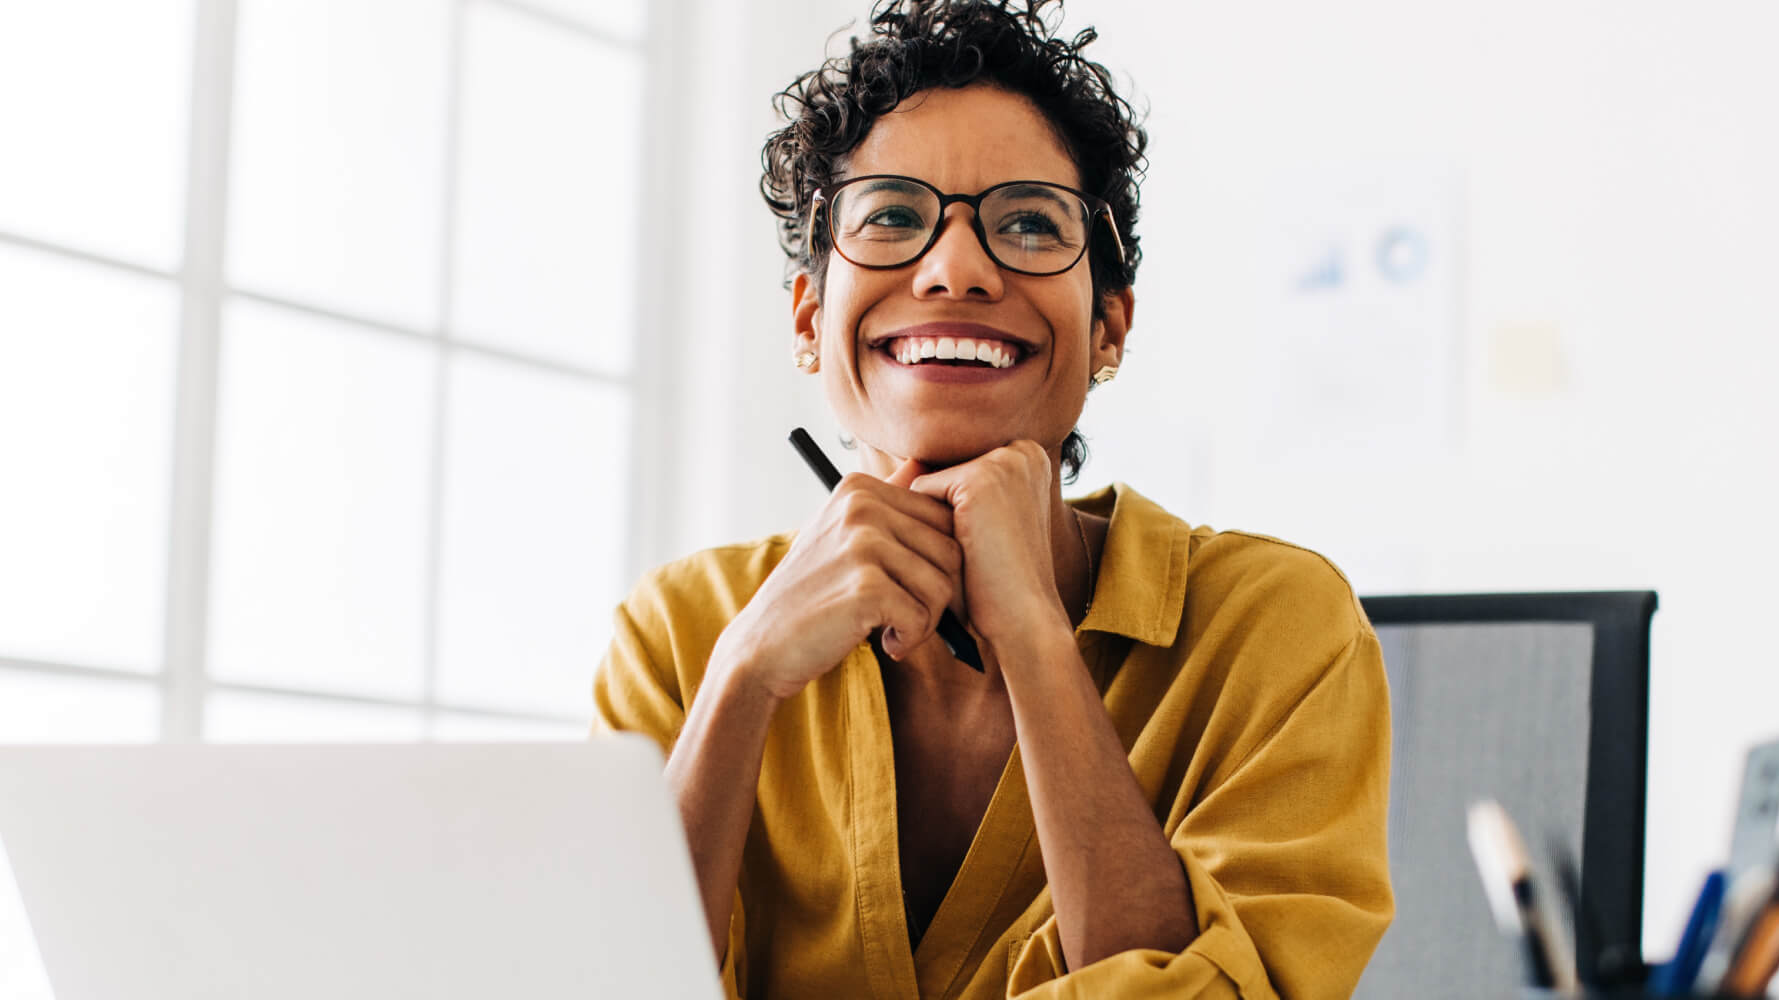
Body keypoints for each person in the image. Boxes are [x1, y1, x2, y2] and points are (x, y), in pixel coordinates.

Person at [592, 3, 1394, 996]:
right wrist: (745, 677)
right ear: (809, 316)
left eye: (1027, 223)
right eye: (889, 214)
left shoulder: (1277, 629)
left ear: (1108, 327)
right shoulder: (682, 634)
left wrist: (1036, 640)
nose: (958, 267)